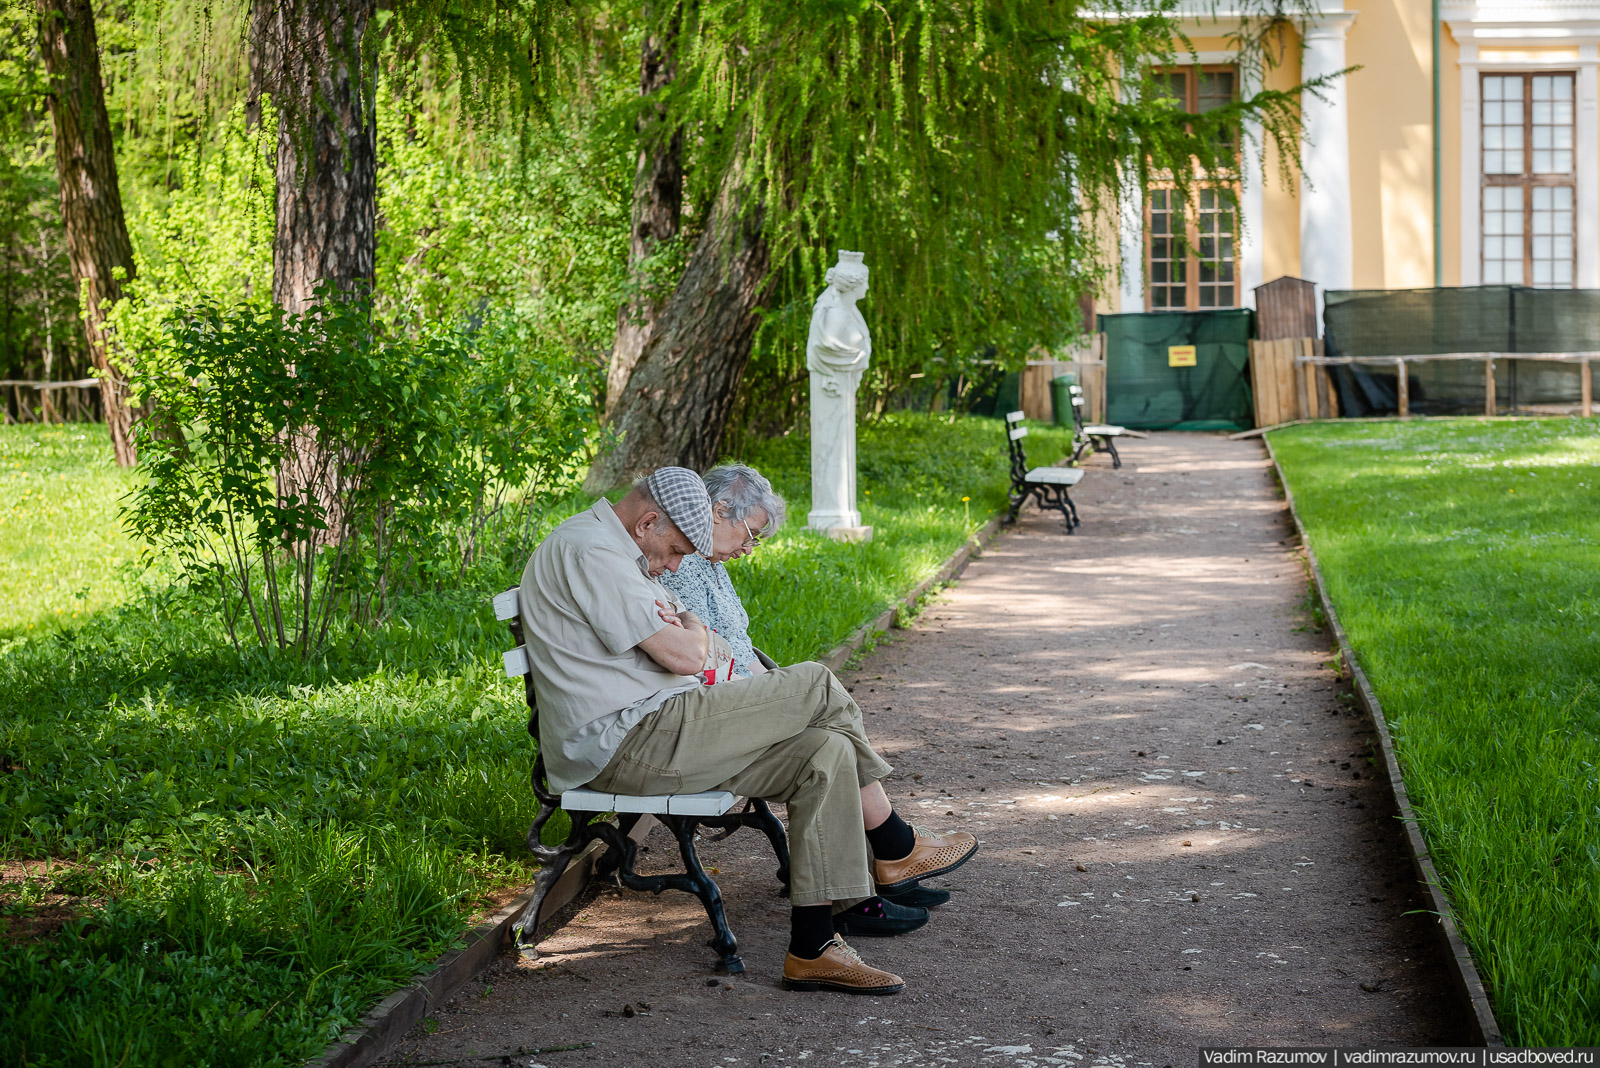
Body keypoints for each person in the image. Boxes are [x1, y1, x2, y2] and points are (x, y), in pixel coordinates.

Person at [517, 466, 977, 995]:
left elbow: (692, 632)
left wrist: (690, 630)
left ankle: (813, 947)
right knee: (817, 686)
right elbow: (688, 651)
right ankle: (894, 844)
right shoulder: (592, 552)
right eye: (673, 552)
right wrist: (691, 632)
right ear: (647, 522)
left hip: (661, 725)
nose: (671, 566)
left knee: (822, 752)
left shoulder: (619, 549)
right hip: (625, 740)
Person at [659, 463, 953, 921]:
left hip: (733, 700)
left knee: (828, 736)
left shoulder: (709, 565)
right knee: (818, 685)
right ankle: (894, 846)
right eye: (750, 534)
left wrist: (778, 688)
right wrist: (779, 694)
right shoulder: (676, 564)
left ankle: (867, 880)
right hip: (706, 717)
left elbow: (738, 646)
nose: (749, 549)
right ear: (718, 512)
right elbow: (703, 661)